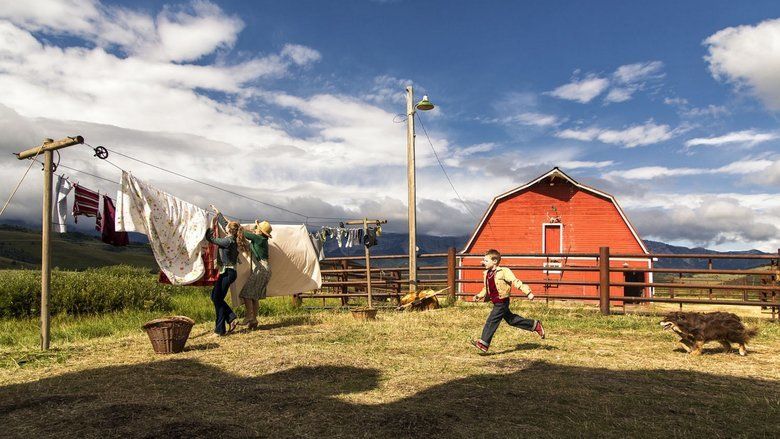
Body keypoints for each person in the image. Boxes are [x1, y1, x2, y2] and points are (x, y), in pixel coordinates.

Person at [471, 249, 545, 353]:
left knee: (491, 320)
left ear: (495, 261)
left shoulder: (504, 272)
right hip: (496, 302)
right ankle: (534, 325)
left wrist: (528, 292)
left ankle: (484, 343)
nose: (483, 262)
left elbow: (515, 281)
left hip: (502, 302)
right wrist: (479, 296)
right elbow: (486, 288)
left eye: (486, 260)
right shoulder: (487, 274)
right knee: (511, 320)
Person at [205, 205, 248, 336]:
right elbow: (225, 223)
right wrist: (217, 212)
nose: (225, 226)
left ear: (229, 230)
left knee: (217, 299)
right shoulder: (232, 238)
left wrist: (211, 226)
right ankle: (231, 318)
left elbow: (211, 239)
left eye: (227, 227)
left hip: (228, 273)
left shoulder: (228, 241)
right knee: (215, 297)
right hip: (228, 273)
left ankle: (220, 330)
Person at [239, 219, 273, 329]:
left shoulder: (258, 238)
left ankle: (249, 316)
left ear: (261, 232)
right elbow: (252, 232)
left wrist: (239, 227)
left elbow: (243, 233)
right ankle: (254, 320)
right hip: (265, 269)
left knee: (246, 293)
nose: (255, 230)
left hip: (261, 269)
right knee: (254, 297)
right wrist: (256, 226)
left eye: (258, 229)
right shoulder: (262, 239)